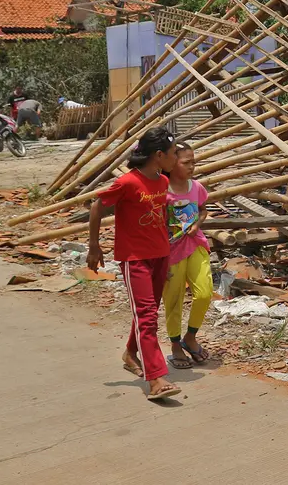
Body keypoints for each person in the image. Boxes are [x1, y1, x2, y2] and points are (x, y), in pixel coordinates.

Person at [87, 126, 181, 401]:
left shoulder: (163, 182)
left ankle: (130, 353)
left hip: (160, 254)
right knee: (148, 317)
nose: (176, 159)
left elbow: (161, 217)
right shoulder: (128, 183)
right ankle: (156, 379)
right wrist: (94, 246)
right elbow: (97, 206)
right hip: (134, 258)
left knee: (146, 312)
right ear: (159, 154)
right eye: (174, 154)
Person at [162, 142, 213, 369]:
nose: (192, 166)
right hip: (170, 251)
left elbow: (203, 209)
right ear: (172, 164)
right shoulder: (162, 191)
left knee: (204, 292)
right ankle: (175, 344)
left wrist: (197, 224)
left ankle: (190, 337)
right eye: (186, 162)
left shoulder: (196, 187)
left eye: (194, 161)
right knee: (173, 300)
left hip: (195, 244)